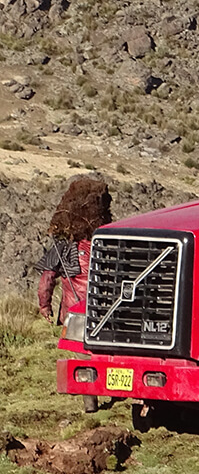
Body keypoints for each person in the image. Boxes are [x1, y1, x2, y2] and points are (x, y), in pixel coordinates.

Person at [36, 177, 112, 414]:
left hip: (75, 312)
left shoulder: (64, 248)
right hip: (106, 309)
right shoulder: (107, 244)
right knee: (104, 354)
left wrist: (44, 306)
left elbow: (47, 278)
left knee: (84, 356)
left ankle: (90, 403)